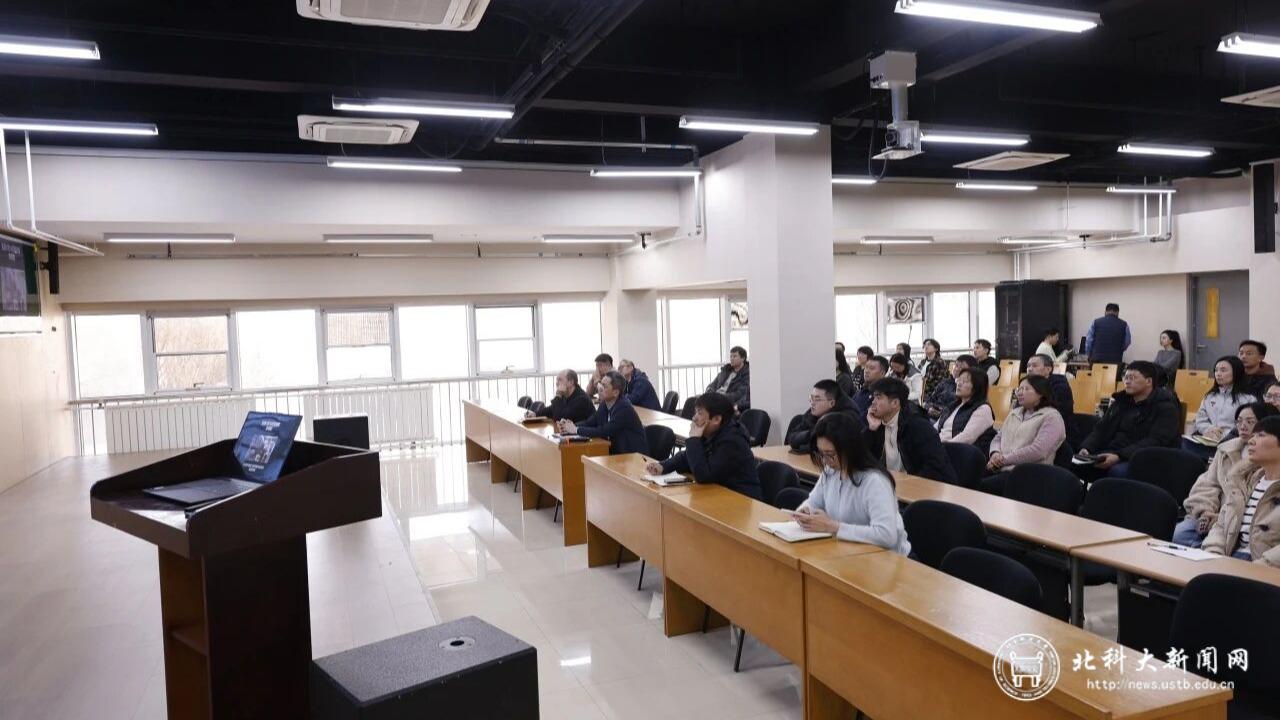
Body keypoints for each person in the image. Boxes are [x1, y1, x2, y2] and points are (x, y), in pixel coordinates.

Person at [781, 413, 911, 554]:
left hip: (886, 558)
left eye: (830, 454)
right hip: (848, 551)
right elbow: (812, 502)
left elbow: (887, 536)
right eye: (821, 454)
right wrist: (805, 512)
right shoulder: (831, 471)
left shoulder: (875, 481)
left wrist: (833, 527)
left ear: (849, 448)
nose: (825, 461)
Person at [1175, 402, 1277, 548]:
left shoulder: (1267, 458)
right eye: (1239, 421)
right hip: (1211, 513)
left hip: (1235, 520)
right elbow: (1207, 484)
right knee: (1180, 534)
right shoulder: (1226, 449)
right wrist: (1205, 512)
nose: (1243, 426)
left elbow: (1250, 506)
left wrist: (1221, 519)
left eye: (1250, 422)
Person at [1074, 361, 1181, 481]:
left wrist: (1119, 456)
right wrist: (1087, 448)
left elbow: (1155, 441)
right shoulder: (1121, 401)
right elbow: (1102, 429)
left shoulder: (1166, 407)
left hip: (1144, 458)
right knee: (1075, 463)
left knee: (1117, 472)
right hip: (1115, 451)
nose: (1127, 381)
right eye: (1126, 377)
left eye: (1133, 378)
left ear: (1148, 381)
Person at [647, 392, 761, 500]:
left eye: (700, 413)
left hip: (742, 499)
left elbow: (704, 475)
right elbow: (686, 457)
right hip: (719, 494)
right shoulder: (713, 432)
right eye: (696, 412)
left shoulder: (732, 442)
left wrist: (694, 439)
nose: (694, 417)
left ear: (716, 419)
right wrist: (663, 466)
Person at [1202, 415, 1280, 566]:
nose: (1251, 441)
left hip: (1266, 568)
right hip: (1228, 560)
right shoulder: (1243, 482)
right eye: (1253, 435)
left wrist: (1260, 567)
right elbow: (1221, 526)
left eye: (1261, 435)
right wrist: (1213, 555)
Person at [980, 375, 1067, 495]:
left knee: (981, 487)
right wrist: (995, 454)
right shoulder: (1014, 413)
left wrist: (1003, 460)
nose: (1020, 393)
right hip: (1000, 468)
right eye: (1019, 389)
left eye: (1026, 389)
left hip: (1028, 475)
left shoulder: (1052, 417)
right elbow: (998, 438)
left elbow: (1038, 451)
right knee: (967, 478)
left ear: (1041, 393)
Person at [863, 377, 958, 484]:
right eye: (874, 397)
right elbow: (860, 459)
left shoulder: (917, 426)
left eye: (878, 398)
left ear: (895, 403)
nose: (873, 402)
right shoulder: (879, 423)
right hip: (893, 483)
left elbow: (935, 468)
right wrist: (871, 429)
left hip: (924, 486)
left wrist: (905, 483)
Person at [559, 371, 648, 455]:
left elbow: (604, 431)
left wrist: (576, 430)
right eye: (600, 384)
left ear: (615, 392)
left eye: (604, 386)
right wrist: (568, 426)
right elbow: (590, 423)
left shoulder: (624, 408)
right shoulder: (604, 404)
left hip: (632, 455)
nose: (599, 389)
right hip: (616, 453)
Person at [1185, 356, 1256, 457]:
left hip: (1233, 443)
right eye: (1216, 370)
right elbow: (1200, 419)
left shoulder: (1248, 399)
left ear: (1236, 372)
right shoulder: (1210, 396)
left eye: (1223, 370)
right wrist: (1208, 429)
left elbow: (1248, 425)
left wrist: (1223, 434)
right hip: (1208, 439)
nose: (1218, 374)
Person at [786, 379, 862, 453]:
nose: (812, 403)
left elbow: (826, 448)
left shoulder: (846, 417)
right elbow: (792, 437)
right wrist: (811, 434)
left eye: (817, 399)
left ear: (832, 403)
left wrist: (808, 440)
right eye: (811, 398)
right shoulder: (815, 411)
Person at [935, 367, 996, 454]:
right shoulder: (953, 405)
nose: (959, 384)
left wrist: (939, 448)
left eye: (965, 381)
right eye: (959, 380)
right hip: (940, 448)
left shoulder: (983, 409)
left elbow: (967, 437)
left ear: (977, 386)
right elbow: (936, 427)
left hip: (956, 453)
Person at [1026, 353, 1079, 447]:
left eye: (1034, 366)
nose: (1030, 369)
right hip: (1034, 430)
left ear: (1048, 369)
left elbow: (1058, 414)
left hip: (1060, 437)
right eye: (1028, 366)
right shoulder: (1027, 385)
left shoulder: (1060, 386)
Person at [528, 369, 594, 423]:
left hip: (586, 434)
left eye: (560, 380)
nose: (556, 383)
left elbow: (559, 419)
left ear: (571, 382)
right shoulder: (566, 395)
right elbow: (552, 409)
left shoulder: (582, 399)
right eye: (557, 380)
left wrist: (558, 395)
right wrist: (535, 414)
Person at [924, 354, 974, 420]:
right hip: (929, 414)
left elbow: (960, 410)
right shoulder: (945, 382)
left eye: (961, 367)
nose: (956, 369)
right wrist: (929, 408)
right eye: (956, 365)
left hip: (946, 419)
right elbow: (930, 400)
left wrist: (941, 413)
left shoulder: (966, 388)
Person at [705, 346, 751, 411]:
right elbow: (712, 385)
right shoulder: (725, 370)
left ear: (743, 358)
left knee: (706, 408)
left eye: (734, 356)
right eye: (731, 356)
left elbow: (740, 393)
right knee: (695, 400)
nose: (731, 359)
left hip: (727, 401)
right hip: (716, 397)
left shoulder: (746, 374)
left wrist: (721, 397)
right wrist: (709, 392)